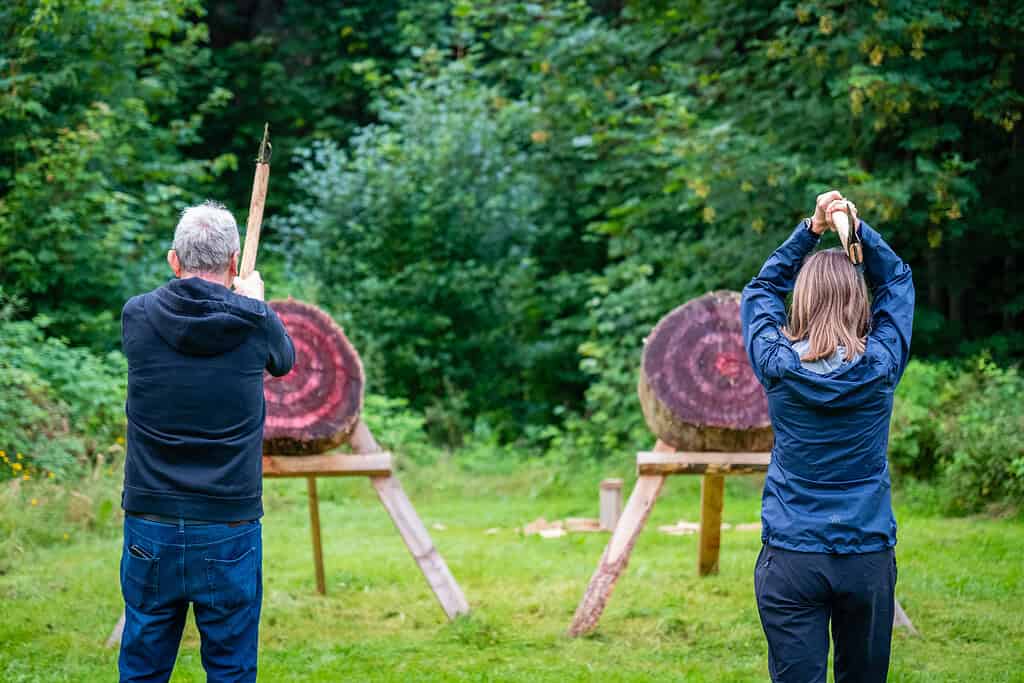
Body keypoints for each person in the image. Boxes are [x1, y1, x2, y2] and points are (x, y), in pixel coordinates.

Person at [741, 190, 914, 683]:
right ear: (859, 302)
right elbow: (897, 282)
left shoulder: (777, 364)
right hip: (866, 556)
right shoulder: (881, 365)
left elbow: (761, 291)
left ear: (802, 300)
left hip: (793, 555)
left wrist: (811, 230)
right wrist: (856, 231)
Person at [118, 201, 295, 682]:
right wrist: (256, 302)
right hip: (228, 523)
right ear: (234, 263)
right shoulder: (254, 320)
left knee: (142, 670)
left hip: (151, 520)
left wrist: (248, 307)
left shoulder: (137, 316)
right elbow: (283, 360)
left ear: (174, 260)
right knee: (231, 670)